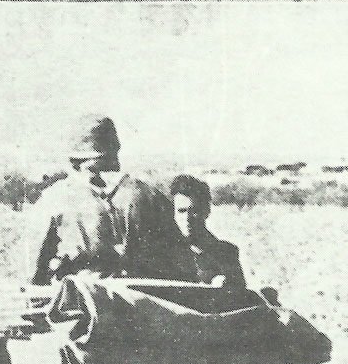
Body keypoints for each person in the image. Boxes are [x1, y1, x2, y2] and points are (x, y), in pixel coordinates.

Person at [27, 114, 193, 284]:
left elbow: (34, 272)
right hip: (143, 300)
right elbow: (183, 265)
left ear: (74, 160)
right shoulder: (150, 195)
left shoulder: (55, 198)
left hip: (82, 301)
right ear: (115, 150)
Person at [169, 174, 246, 289]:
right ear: (173, 213)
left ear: (206, 211)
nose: (187, 218)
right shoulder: (163, 252)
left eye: (194, 211)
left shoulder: (226, 253)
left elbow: (242, 299)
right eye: (181, 211)